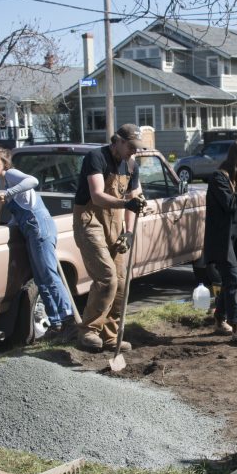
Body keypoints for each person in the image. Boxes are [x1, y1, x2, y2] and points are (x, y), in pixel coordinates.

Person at [0, 146, 76, 341]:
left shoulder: (11, 175)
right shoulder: (2, 185)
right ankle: (56, 323)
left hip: (39, 226)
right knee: (40, 278)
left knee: (49, 275)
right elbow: (18, 216)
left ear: (4, 162)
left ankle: (69, 320)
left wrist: (9, 192)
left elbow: (32, 181)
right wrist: (3, 229)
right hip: (29, 229)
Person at [72, 124, 147, 352]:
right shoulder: (96, 157)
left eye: (136, 148)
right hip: (89, 221)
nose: (133, 152)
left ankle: (110, 336)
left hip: (115, 225)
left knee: (122, 282)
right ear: (118, 141)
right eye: (130, 147)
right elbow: (96, 195)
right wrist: (127, 203)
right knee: (107, 278)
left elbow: (136, 200)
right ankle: (89, 331)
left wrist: (129, 232)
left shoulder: (132, 165)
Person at [204, 141, 237, 343]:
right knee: (233, 279)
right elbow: (230, 205)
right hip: (221, 240)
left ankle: (219, 319)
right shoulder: (219, 178)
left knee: (229, 281)